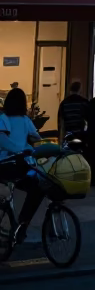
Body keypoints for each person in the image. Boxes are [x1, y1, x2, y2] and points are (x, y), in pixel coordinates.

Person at [0, 87, 44, 243]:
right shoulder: (26, 120)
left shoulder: (3, 118)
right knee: (37, 189)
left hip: (8, 165)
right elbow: (36, 138)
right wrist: (25, 148)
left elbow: (3, 140)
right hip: (16, 164)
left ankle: (19, 226)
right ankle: (23, 224)